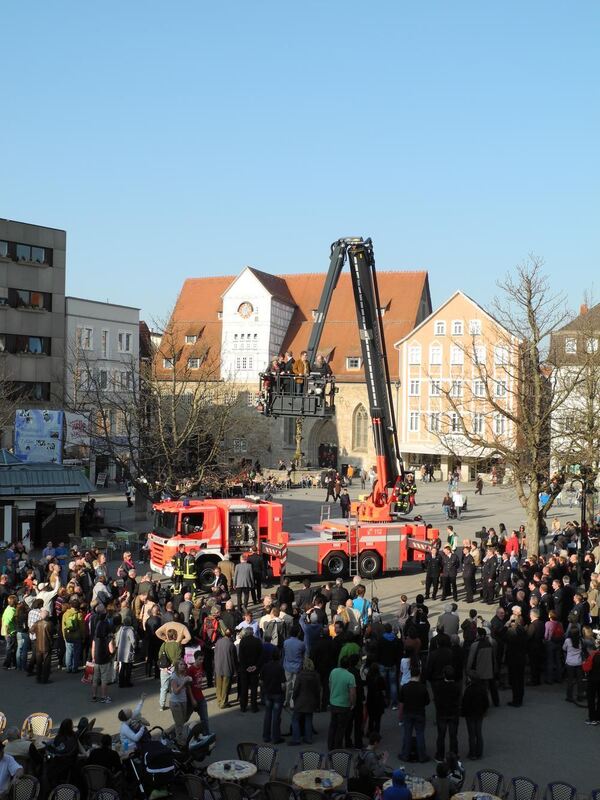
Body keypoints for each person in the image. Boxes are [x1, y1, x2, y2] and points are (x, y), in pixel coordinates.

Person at [398, 662, 430, 763]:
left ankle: (405, 755)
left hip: (407, 713)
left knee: (407, 734)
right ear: (419, 675)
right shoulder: (423, 688)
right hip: (419, 713)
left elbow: (401, 700)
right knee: (420, 734)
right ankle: (422, 756)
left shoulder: (405, 687)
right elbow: (427, 701)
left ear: (410, 674)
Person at [328, 655, 357, 751]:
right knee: (341, 728)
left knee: (333, 725)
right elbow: (352, 693)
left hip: (333, 702)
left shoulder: (333, 672)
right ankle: (337, 747)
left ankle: (330, 745)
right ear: (348, 665)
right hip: (344, 705)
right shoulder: (350, 676)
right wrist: (353, 703)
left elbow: (330, 684)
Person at [433, 665, 461, 762]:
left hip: (441, 713)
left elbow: (436, 699)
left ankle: (440, 755)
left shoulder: (439, 685)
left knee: (441, 735)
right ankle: (453, 755)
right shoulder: (457, 686)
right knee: (453, 736)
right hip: (453, 713)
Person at [290, 657, 321, 745]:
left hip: (300, 700)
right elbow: (318, 690)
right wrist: (318, 703)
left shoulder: (300, 675)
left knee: (295, 719)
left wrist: (294, 698)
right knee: (308, 719)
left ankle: (296, 739)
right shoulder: (316, 676)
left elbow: (296, 689)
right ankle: (308, 738)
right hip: (311, 701)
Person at [260, 649, 286, 744]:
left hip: (268, 693)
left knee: (268, 715)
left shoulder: (265, 666)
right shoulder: (280, 668)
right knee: (276, 716)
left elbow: (261, 681)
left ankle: (266, 736)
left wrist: (265, 689)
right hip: (277, 694)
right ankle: (276, 737)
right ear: (279, 657)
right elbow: (283, 684)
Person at [461, 675, 489, 760]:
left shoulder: (468, 690)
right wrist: (484, 711)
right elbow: (486, 702)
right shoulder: (482, 689)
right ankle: (479, 752)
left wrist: (463, 713)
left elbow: (464, 704)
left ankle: (472, 753)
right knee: (479, 733)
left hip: (470, 715)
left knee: (472, 735)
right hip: (479, 714)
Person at [238, 627, 262, 713]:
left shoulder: (243, 641)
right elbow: (260, 656)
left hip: (245, 669)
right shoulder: (258, 641)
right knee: (254, 688)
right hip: (254, 669)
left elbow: (241, 656)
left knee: (244, 688)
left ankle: (243, 706)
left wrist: (245, 667)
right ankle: (254, 707)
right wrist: (256, 666)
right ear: (252, 633)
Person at [187, 650, 210, 734]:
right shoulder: (190, 670)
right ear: (195, 659)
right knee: (184, 719)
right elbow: (188, 686)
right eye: (200, 659)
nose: (201, 661)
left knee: (204, 718)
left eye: (202, 659)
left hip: (200, 697)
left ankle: (206, 734)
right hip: (192, 699)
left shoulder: (201, 666)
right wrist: (192, 699)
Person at [170, 660, 192, 744]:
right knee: (179, 723)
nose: (183, 666)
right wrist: (184, 682)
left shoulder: (184, 674)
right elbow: (175, 691)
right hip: (175, 702)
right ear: (177, 666)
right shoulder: (174, 677)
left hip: (183, 701)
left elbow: (187, 686)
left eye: (184, 664)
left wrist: (189, 681)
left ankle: (169, 732)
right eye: (181, 664)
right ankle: (180, 741)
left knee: (181, 721)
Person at [213, 629, 237, 709]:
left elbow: (215, 654)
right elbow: (234, 659)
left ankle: (219, 701)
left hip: (218, 667)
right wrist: (235, 671)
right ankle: (223, 702)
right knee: (225, 687)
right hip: (227, 668)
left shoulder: (218, 642)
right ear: (231, 635)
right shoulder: (231, 644)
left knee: (219, 686)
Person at [563, 624, 584, 703]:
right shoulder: (580, 640)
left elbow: (564, 648)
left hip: (570, 662)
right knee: (579, 680)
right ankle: (580, 696)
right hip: (578, 662)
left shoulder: (568, 641)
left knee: (570, 680)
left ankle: (569, 696)